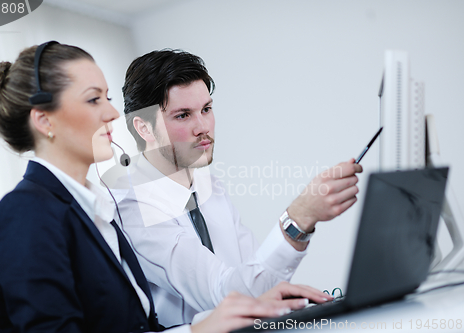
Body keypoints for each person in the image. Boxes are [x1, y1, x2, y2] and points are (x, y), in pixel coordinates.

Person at [0, 42, 332, 333]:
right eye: (94, 99)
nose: (113, 114)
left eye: (108, 98)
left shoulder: (95, 210)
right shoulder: (26, 215)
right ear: (44, 121)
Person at [116, 49, 363, 326]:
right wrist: (299, 219)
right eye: (183, 115)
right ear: (144, 128)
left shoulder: (208, 184)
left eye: (206, 110)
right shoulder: (132, 207)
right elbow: (225, 299)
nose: (203, 127)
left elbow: (257, 283)